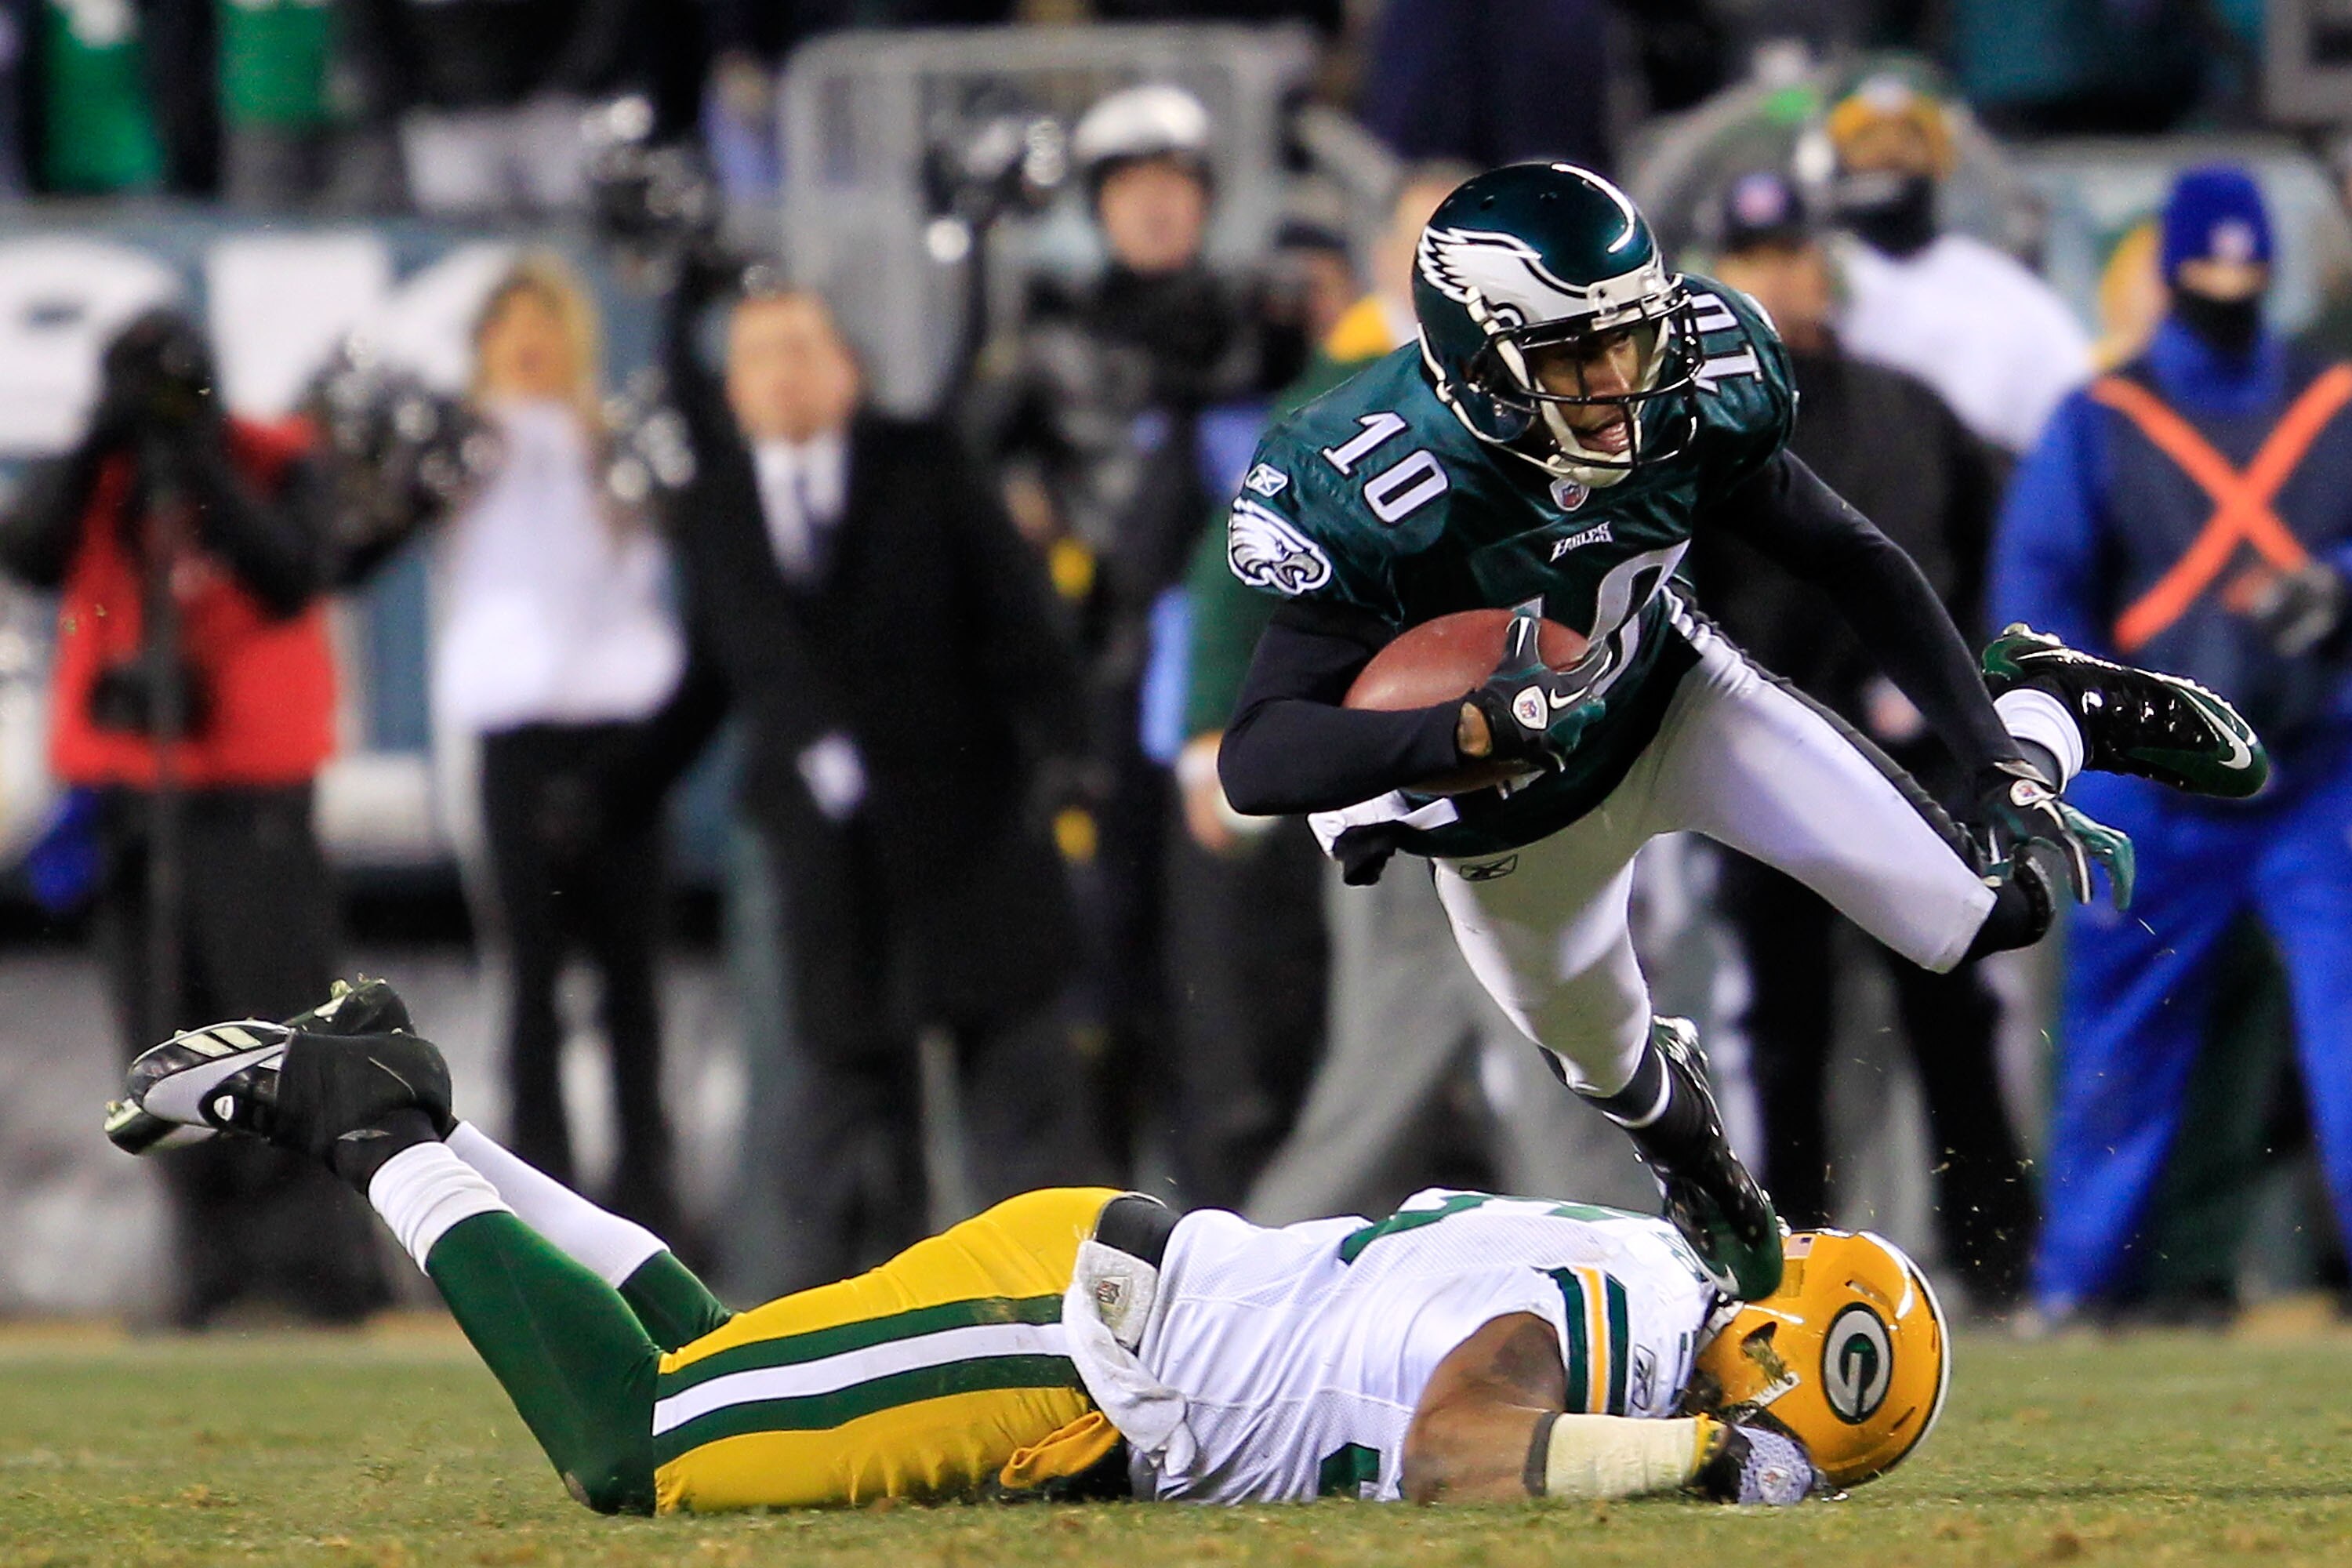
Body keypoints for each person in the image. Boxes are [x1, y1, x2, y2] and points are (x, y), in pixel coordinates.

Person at [1212, 161, 2267, 1305]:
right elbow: (1260, 754)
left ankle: (2058, 710)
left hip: (1676, 704)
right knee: (1603, 1063)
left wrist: (1991, 753)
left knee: (1984, 912)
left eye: (1632, 340)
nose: (1618, 382)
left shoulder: (1690, 394)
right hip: (1513, 815)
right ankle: (1697, 1161)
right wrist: (1457, 735)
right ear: (1478, 363)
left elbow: (1847, 554)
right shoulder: (1375, 479)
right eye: (1576, 355)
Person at [104, 979, 1947, 1512]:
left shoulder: (1644, 1270)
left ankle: (428, 1104)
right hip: (1078, 1341)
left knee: (716, 1365)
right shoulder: (1619, 1314)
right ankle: (371, 1122)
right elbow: (1464, 1448)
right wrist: (1706, 1458)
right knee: (639, 1450)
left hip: (1105, 1285)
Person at [622, 261, 1105, 1295]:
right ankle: (867, 1330)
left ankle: (1067, 1313)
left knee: (1018, 1091)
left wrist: (1072, 751)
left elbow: (1022, 624)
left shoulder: (927, 463)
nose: (782, 375)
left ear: (847, 368)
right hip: (828, 860)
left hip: (969, 827)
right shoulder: (717, 506)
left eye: (802, 349)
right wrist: (617, 787)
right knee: (843, 1103)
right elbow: (718, 671)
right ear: (733, 389)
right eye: (757, 357)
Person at [1991, 165, 2352, 1323]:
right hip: (2164, 788)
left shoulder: (2332, 401)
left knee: (2344, 1033)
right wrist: (2106, 730)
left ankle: (2082, 1290)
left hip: (2316, 769)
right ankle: (2072, 1291)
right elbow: (2036, 599)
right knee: (2113, 1056)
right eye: (2208, 270)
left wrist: (2338, 586)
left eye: (2247, 270)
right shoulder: (2105, 419)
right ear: (2165, 275)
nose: (2229, 288)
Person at [1685, 169, 2034, 1310]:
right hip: (1762, 766)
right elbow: (1669, 600)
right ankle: (1789, 1267)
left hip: (1914, 763)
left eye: (1792, 250)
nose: (1778, 275)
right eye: (1755, 257)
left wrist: (1959, 694)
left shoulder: (1905, 405)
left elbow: (1989, 566)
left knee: (1954, 1007)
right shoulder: (1697, 438)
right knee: (1782, 1026)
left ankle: (1999, 1261)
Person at [0, 308, 385, 1327]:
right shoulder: (103, 478)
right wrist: (100, 438)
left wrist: (202, 457)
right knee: (161, 1037)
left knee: (278, 1031)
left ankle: (314, 1271)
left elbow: (294, 571)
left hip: (251, 802)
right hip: (132, 798)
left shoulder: (269, 460)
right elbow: (29, 553)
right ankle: (208, 1267)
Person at [981, 84, 1294, 1170]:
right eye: (1133, 188)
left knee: (1234, 967)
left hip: (1243, 676)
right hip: (1100, 681)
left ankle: (1233, 1212)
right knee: (1103, 960)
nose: (1157, 208)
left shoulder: (1272, 324)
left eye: (1176, 186)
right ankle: (1102, 1217)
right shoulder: (1048, 338)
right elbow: (965, 470)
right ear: (1100, 205)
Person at [434, 256, 687, 1233]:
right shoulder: (459, 450)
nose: (531, 342)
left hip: (621, 739)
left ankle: (650, 1202)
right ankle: (539, 1205)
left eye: (548, 321)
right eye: (513, 323)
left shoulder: (615, 445)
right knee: (530, 982)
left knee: (634, 983)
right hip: (514, 737)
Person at [1824, 69, 2093, 457]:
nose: (1889, 153)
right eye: (1866, 138)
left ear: (1940, 156)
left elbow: (2076, 420)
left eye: (1910, 137)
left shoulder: (2002, 291)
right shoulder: (1808, 281)